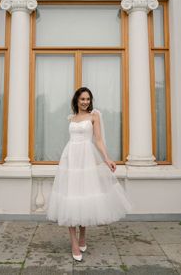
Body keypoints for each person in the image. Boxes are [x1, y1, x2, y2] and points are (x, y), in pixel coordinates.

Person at [46, 87, 132, 261]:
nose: (85, 102)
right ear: (76, 100)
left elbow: (98, 140)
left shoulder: (94, 116)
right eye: (82, 99)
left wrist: (107, 159)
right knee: (71, 196)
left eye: (88, 99)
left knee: (84, 195)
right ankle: (74, 243)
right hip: (71, 158)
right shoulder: (72, 118)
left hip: (86, 159)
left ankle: (83, 235)